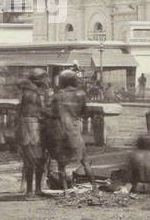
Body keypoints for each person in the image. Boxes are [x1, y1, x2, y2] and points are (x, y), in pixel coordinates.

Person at [45, 70, 94, 191]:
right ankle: (95, 188)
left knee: (61, 165)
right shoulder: (81, 94)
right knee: (85, 160)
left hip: (61, 130)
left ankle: (65, 191)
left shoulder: (58, 95)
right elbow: (85, 112)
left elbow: (52, 113)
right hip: (75, 129)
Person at [14, 68, 50, 197]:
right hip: (32, 127)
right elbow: (38, 111)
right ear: (38, 79)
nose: (47, 81)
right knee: (34, 160)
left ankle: (35, 190)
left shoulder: (29, 91)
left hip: (29, 127)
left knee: (35, 160)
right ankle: (32, 190)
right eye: (44, 78)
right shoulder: (33, 94)